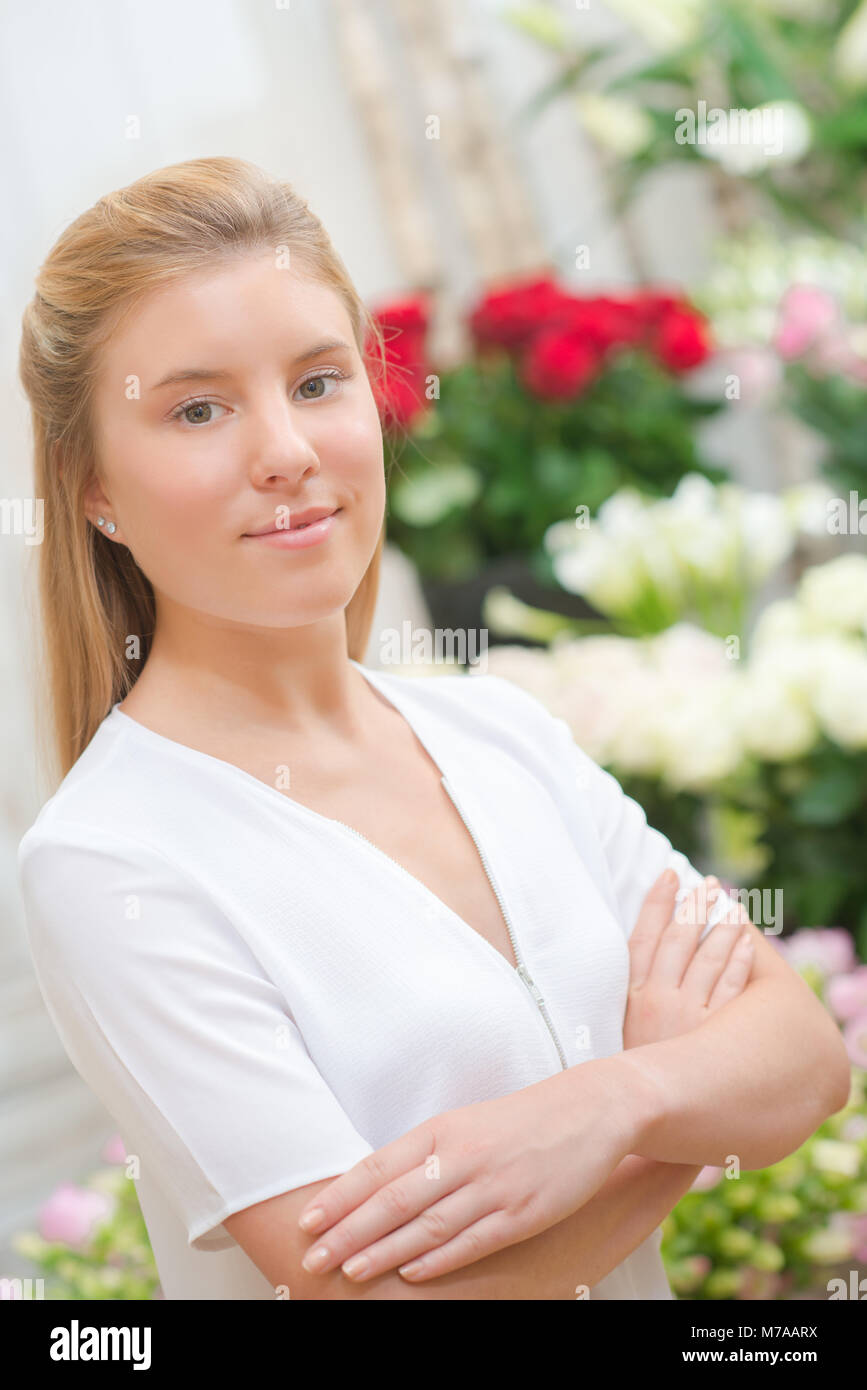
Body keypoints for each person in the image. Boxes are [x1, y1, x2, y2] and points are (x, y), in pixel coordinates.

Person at [16, 157, 850, 1301]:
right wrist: (674, 1096)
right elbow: (380, 1301)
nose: (287, 451)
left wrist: (613, 1101)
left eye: (318, 382)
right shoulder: (110, 861)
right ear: (93, 487)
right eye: (197, 408)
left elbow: (802, 1059)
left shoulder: (499, 727)